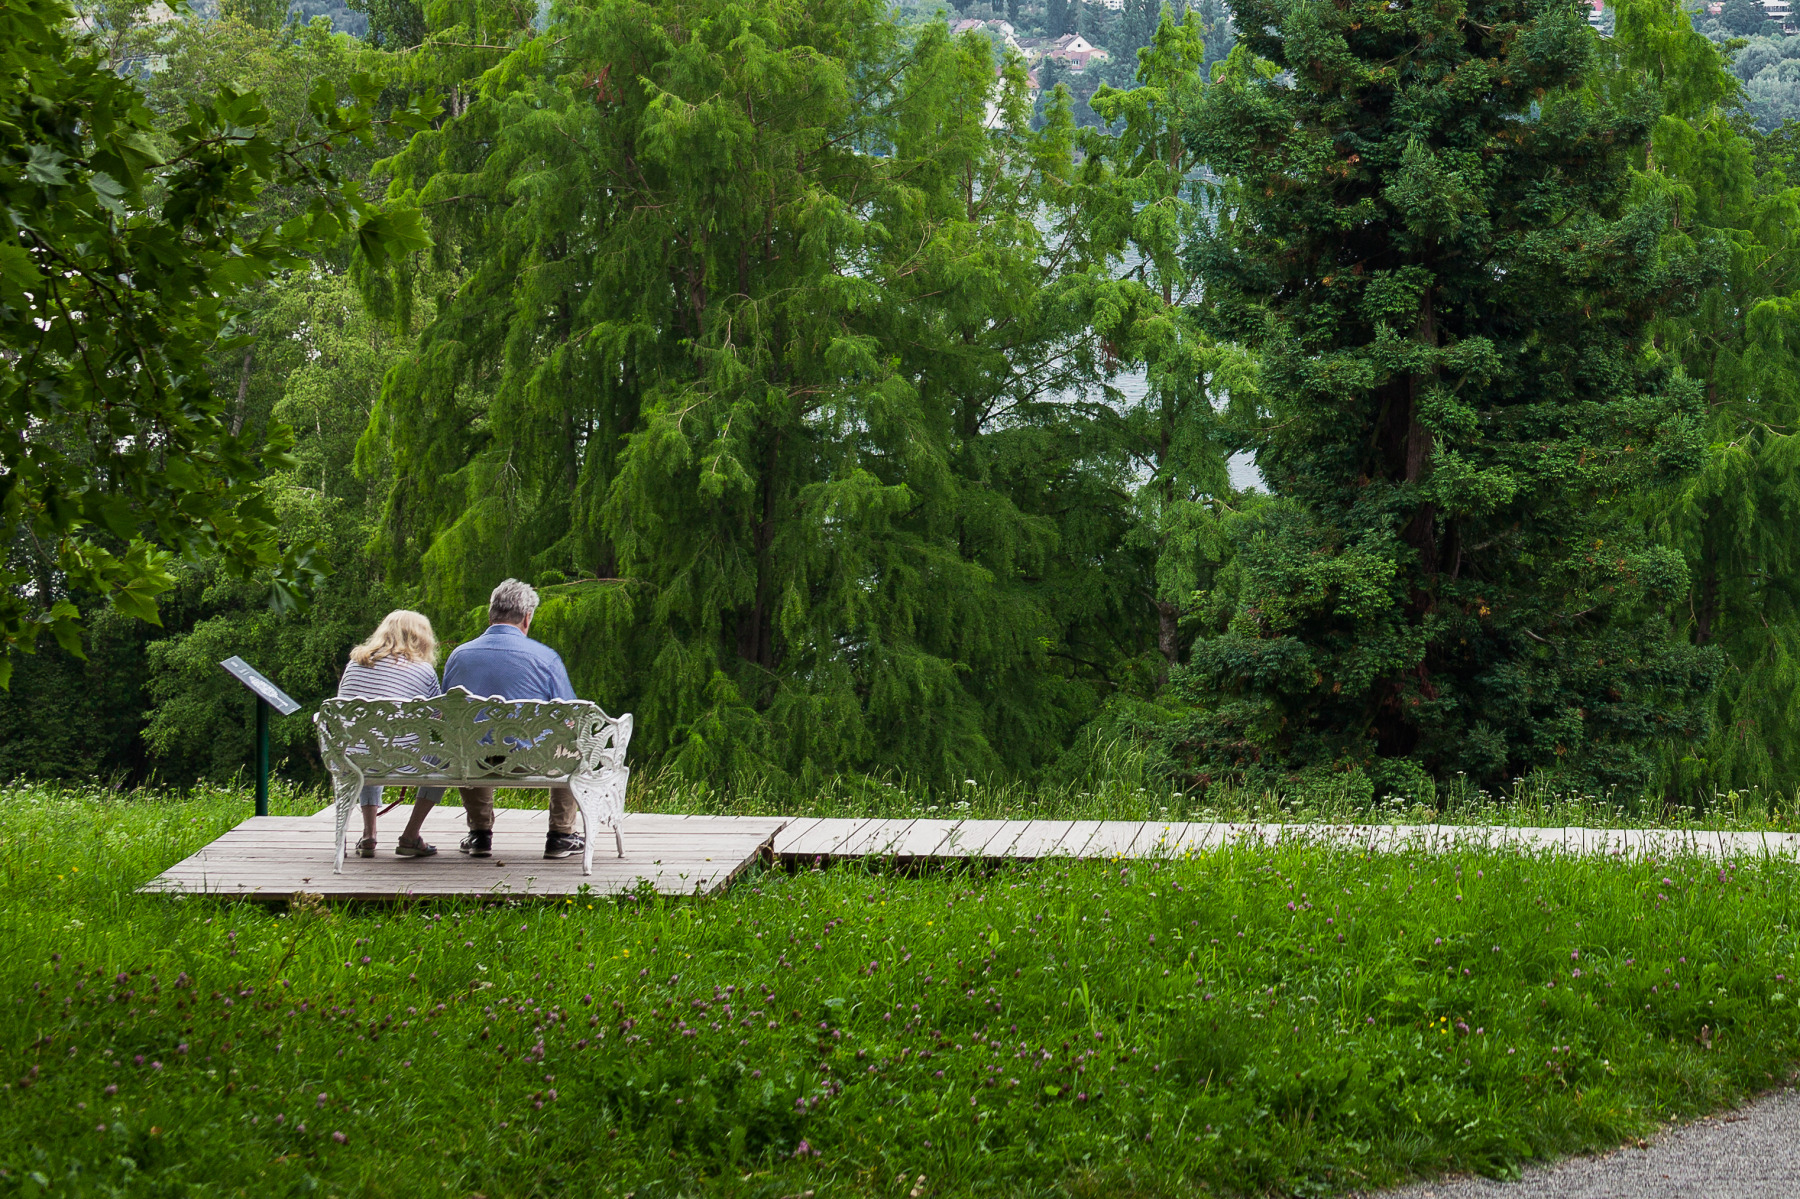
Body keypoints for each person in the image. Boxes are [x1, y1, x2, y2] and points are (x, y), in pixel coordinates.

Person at [441, 578, 586, 860]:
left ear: (491, 613)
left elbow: (448, 713)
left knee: (469, 740)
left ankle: (479, 834)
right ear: (527, 617)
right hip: (531, 759)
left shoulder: (459, 656)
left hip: (475, 760)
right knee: (574, 745)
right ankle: (561, 834)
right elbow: (571, 717)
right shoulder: (546, 658)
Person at [335, 610, 446, 858]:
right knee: (447, 754)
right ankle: (410, 835)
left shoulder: (354, 664)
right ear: (421, 637)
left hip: (350, 759)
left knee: (365, 741)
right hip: (402, 761)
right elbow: (438, 716)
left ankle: (369, 834)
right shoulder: (424, 671)